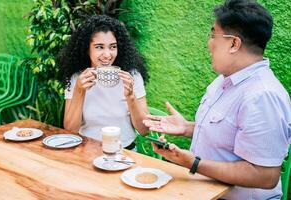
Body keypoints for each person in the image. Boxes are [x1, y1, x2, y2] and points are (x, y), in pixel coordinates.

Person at [143, 0, 291, 199]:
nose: (209, 44)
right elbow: (231, 135)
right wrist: (186, 127)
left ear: (233, 43)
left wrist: (193, 163)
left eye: (213, 35)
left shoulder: (263, 96)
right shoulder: (223, 81)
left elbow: (265, 176)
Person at [58, 15, 149, 150]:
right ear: (87, 48)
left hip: (125, 152)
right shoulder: (77, 78)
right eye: (99, 47)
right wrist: (79, 90)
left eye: (112, 47)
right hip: (87, 152)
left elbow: (144, 130)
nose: (107, 55)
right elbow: (70, 129)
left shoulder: (132, 76)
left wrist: (130, 96)